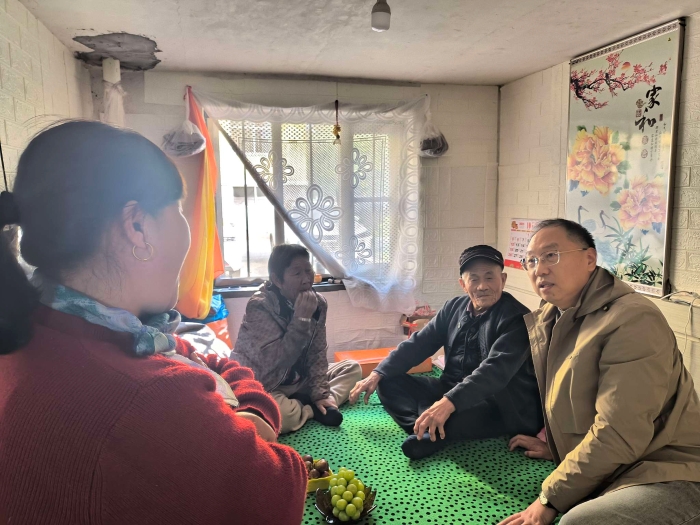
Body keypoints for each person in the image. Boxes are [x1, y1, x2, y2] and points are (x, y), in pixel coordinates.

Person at [0, 121, 307, 524]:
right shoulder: (149, 396)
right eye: (179, 209)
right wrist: (254, 410)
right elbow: (284, 486)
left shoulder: (35, 329)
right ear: (137, 226)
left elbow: (196, 355)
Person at [500, 219, 700, 525]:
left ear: (590, 259)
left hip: (670, 470)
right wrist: (558, 447)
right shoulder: (554, 317)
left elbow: (619, 432)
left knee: (579, 522)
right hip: (621, 465)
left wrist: (549, 498)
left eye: (551, 255)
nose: (539, 269)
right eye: (531, 261)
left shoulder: (632, 320)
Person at [349, 245, 543, 459]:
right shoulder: (453, 308)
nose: (482, 286)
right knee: (387, 381)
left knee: (456, 416)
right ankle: (425, 428)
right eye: (474, 279)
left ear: (503, 280)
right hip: (448, 388)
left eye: (490, 278)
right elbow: (418, 344)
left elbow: (494, 372)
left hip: (498, 403)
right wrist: (378, 373)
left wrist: (447, 403)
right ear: (463, 284)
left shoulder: (518, 319)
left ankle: (428, 427)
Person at [232, 244, 362, 434]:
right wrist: (301, 319)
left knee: (352, 368)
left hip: (299, 378)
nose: (307, 279)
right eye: (297, 273)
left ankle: (320, 402)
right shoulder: (260, 306)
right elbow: (277, 360)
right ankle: (311, 409)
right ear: (277, 280)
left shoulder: (318, 303)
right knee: (281, 415)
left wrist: (321, 392)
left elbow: (317, 351)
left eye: (308, 271)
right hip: (267, 381)